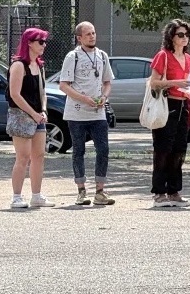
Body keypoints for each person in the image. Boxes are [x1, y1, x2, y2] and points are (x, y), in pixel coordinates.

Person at [58, 21, 115, 206]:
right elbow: (64, 85)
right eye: (88, 34)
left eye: (94, 32)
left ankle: (100, 191)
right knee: (78, 151)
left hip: (97, 112)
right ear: (79, 38)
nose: (92, 36)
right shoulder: (72, 56)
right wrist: (84, 99)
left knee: (103, 149)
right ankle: (81, 191)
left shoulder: (102, 56)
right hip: (77, 113)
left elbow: (107, 82)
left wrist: (104, 97)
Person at [6, 27, 55, 209]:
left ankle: (36, 195)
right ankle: (16, 196)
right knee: (23, 157)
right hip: (20, 115)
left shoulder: (39, 65)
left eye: (44, 42)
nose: (44, 45)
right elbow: (15, 94)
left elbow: (43, 92)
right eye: (40, 41)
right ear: (29, 43)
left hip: (37, 116)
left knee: (39, 156)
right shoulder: (19, 65)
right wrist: (32, 113)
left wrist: (42, 110)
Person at [149, 19, 190, 208]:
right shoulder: (163, 56)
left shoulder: (189, 59)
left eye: (187, 34)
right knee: (163, 149)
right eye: (180, 35)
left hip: (184, 105)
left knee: (179, 149)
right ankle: (159, 192)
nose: (184, 38)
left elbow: (189, 82)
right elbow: (153, 82)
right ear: (172, 37)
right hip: (167, 104)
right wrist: (175, 83)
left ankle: (174, 191)